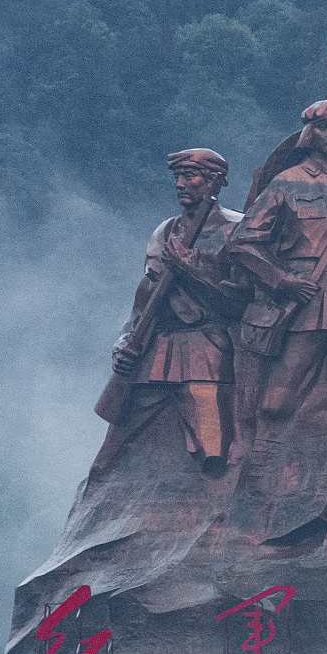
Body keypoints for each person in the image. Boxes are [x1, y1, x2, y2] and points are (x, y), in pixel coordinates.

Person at [96, 149, 246, 477]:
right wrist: (125, 339)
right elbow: (145, 294)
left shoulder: (236, 229)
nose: (180, 184)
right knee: (108, 459)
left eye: (189, 176)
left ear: (213, 181)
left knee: (214, 457)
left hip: (208, 348)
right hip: (157, 348)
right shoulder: (166, 230)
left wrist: (191, 271)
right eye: (177, 177)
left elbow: (238, 303)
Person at [229, 99, 327, 419]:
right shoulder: (287, 181)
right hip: (303, 295)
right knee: (283, 391)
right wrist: (282, 281)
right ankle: (266, 445)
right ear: (310, 133)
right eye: (325, 128)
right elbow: (241, 244)